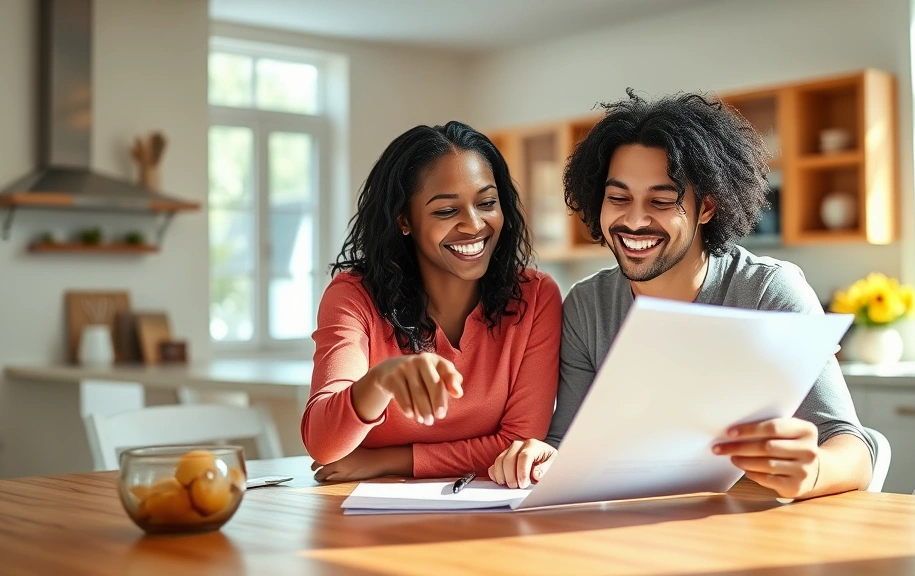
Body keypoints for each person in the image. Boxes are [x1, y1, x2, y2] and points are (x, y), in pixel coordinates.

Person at [488, 91, 874, 500]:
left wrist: (811, 471)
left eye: (661, 201)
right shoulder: (588, 306)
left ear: (706, 206)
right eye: (618, 198)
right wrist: (543, 458)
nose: (634, 220)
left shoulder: (767, 292)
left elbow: (852, 447)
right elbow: (566, 445)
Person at [304, 121, 561, 483]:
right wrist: (380, 381)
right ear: (404, 220)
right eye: (445, 211)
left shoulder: (535, 296)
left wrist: (391, 461)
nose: (474, 225)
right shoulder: (353, 296)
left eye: (487, 203)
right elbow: (323, 444)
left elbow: (520, 444)